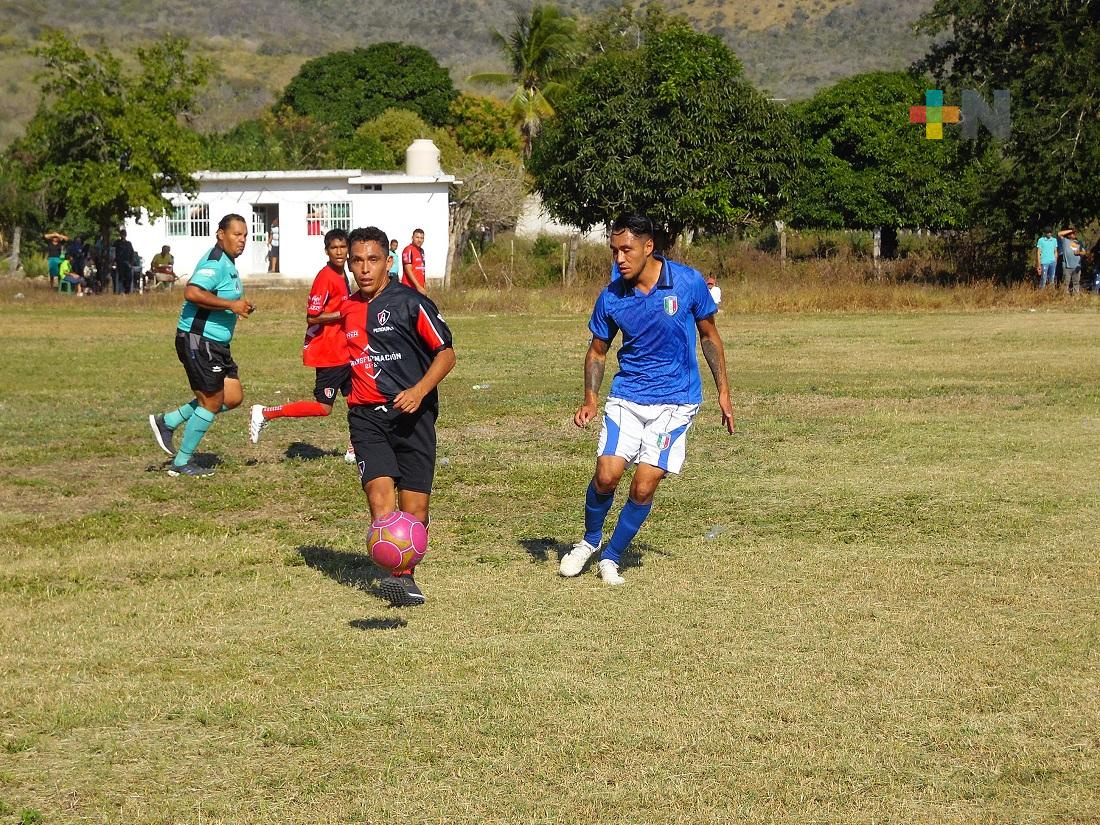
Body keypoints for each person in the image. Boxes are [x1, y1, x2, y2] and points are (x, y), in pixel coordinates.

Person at [560, 213, 735, 586]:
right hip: (628, 396)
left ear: (648, 247)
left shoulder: (686, 282)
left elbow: (709, 336)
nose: (619, 258)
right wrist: (590, 398)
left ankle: (612, 556)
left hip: (675, 402)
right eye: (614, 250)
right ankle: (589, 541)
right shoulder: (611, 297)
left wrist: (723, 391)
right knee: (606, 476)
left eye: (627, 249)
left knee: (643, 485)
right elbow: (597, 351)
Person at [341, 225, 455, 606]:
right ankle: (401, 579)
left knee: (416, 510)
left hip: (414, 416)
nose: (364, 268)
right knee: (380, 503)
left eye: (372, 259)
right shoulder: (348, 308)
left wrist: (418, 391)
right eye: (357, 260)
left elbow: (446, 354)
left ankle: (405, 566)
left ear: (388, 262)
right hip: (366, 418)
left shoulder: (410, 303)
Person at [148, 214, 254, 477]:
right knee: (211, 401)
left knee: (232, 397)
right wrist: (231, 305)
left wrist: (238, 305)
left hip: (216, 343)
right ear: (220, 234)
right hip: (199, 340)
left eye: (245, 235)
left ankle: (169, 421)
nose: (241, 240)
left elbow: (218, 294)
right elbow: (192, 292)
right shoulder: (215, 261)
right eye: (236, 234)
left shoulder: (227, 262)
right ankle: (181, 463)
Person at [249, 228, 356, 462]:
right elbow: (312, 316)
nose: (339, 252)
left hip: (344, 350)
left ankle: (354, 448)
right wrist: (343, 313)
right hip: (330, 354)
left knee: (358, 399)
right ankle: (266, 413)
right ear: (326, 251)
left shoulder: (343, 274)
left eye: (342, 247)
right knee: (323, 408)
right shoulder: (325, 277)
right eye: (334, 248)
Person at [1058, 228, 1086, 295]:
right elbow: (1059, 234)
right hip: (1067, 266)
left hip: (1077, 266)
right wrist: (1071, 230)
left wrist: (1079, 252)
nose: (1073, 234)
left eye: (1074, 233)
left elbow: (1084, 252)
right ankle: (1065, 297)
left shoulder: (1079, 242)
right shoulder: (1065, 241)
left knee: (1076, 282)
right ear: (1068, 235)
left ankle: (1076, 297)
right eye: (1071, 234)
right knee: (1065, 283)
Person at [401, 228, 428, 295]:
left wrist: (423, 285)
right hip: (409, 288)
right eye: (417, 237)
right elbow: (408, 270)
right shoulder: (408, 249)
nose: (419, 240)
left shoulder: (422, 251)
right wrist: (418, 286)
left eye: (422, 238)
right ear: (412, 238)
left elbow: (422, 270)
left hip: (419, 288)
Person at [113, 230, 135, 294]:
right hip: (119, 263)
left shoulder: (128, 243)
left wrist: (131, 263)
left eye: (124, 234)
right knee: (120, 276)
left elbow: (132, 253)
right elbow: (114, 252)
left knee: (129, 277)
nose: (123, 235)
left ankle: (127, 291)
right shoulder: (117, 243)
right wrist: (114, 261)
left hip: (128, 263)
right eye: (122, 234)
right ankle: (120, 290)